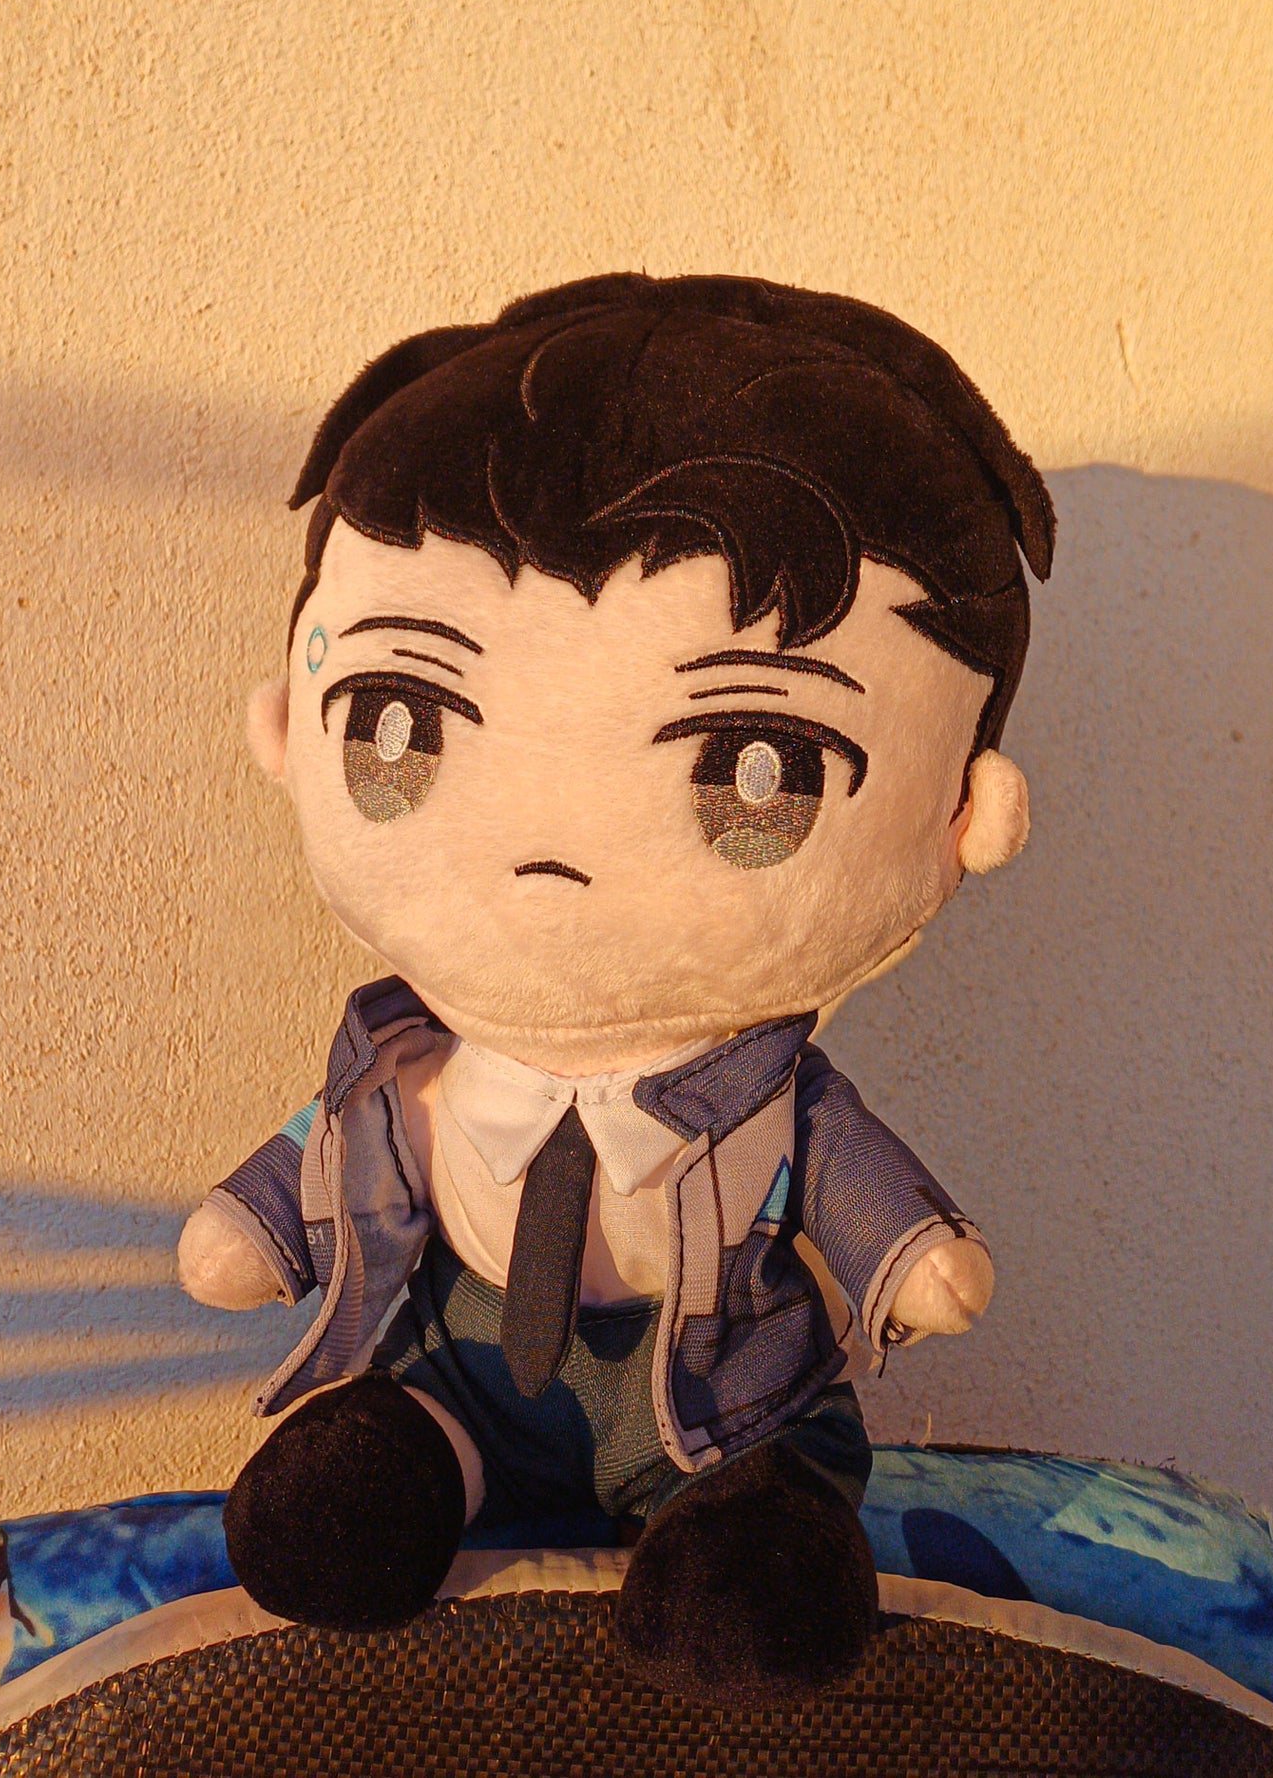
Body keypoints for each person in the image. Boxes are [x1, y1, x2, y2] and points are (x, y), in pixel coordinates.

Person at [178, 272, 1054, 1704]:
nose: (553, 850)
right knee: (352, 1486)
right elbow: (321, 1158)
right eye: (402, 720)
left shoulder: (778, 1106)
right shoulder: (401, 1067)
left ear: (972, 815)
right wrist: (253, 1224)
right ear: (287, 730)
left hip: (724, 1405)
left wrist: (913, 1259)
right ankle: (411, 1466)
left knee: (757, 1553)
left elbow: (865, 1196)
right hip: (454, 1375)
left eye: (754, 771)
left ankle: (743, 1532)